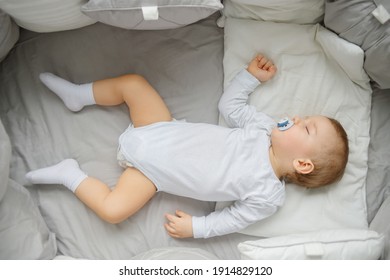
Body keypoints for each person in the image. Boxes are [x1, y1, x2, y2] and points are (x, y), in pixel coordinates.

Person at [26, 54, 349, 239]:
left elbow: (233, 220)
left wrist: (197, 228)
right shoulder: (263, 128)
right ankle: (79, 95)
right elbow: (231, 107)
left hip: (150, 175)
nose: (294, 117)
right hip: (157, 128)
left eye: (305, 126)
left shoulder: (268, 195)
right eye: (303, 117)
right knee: (133, 84)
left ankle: (69, 175)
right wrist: (250, 78)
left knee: (113, 211)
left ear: (302, 164)